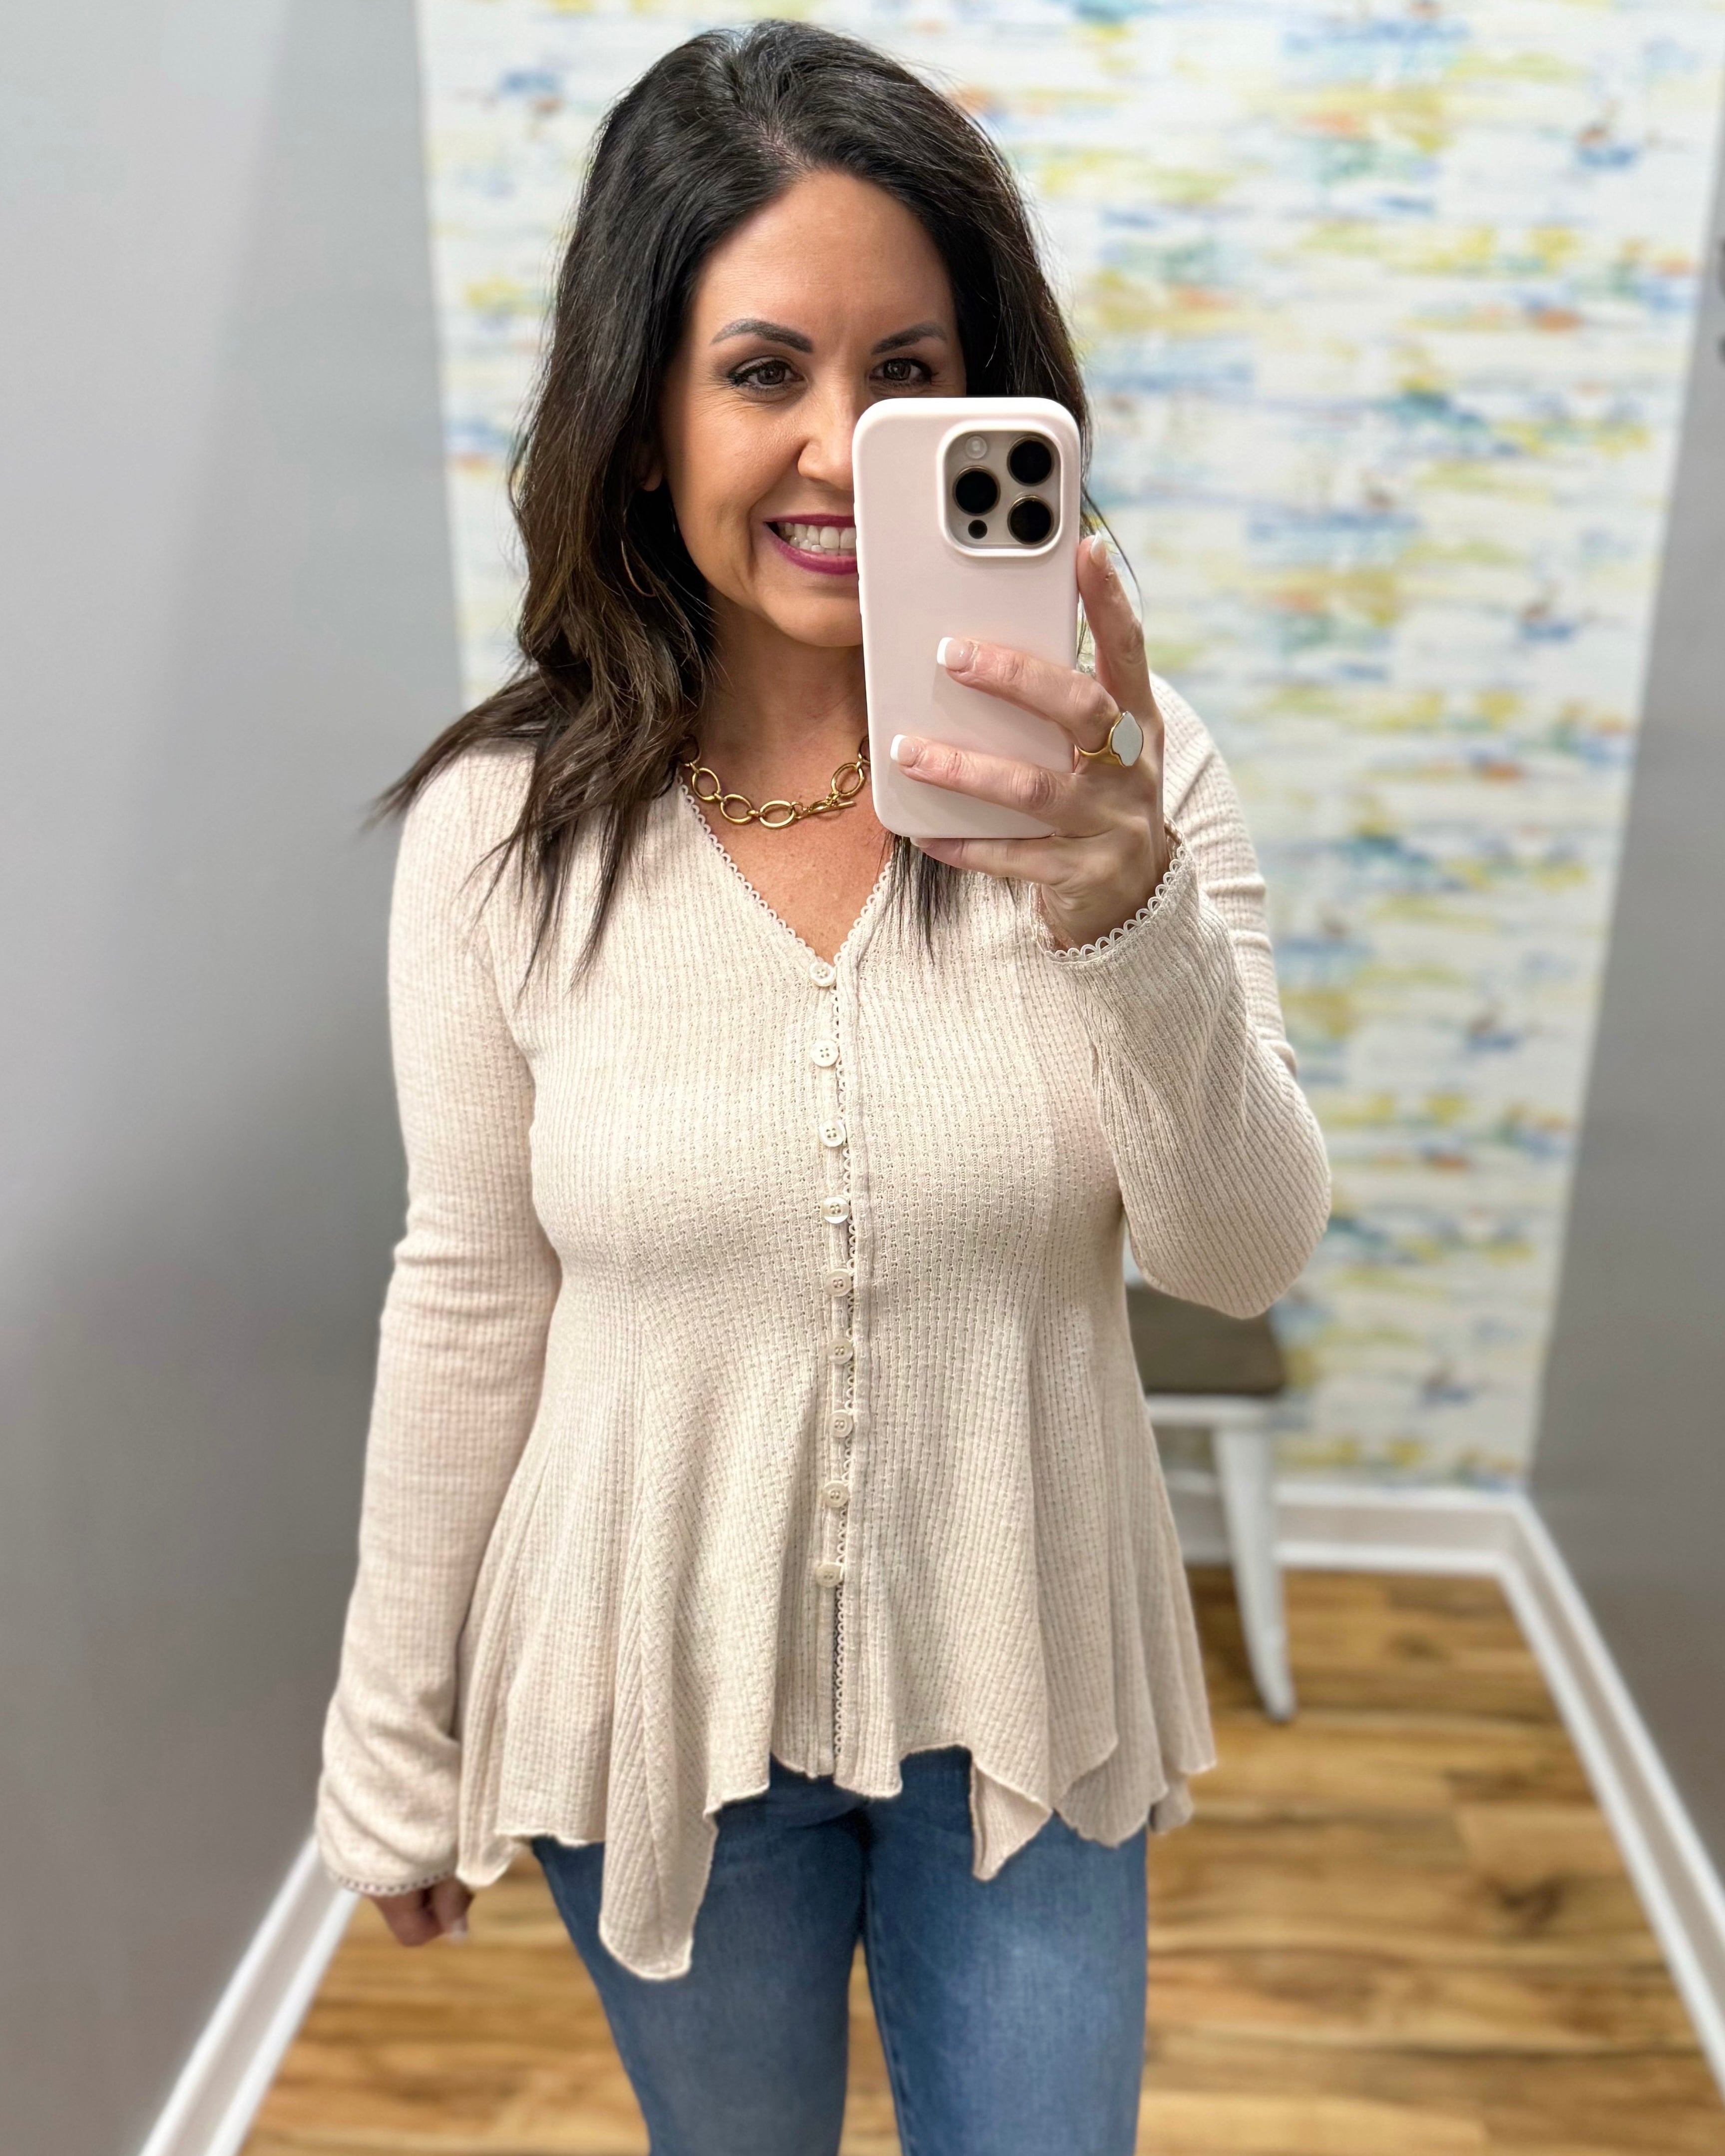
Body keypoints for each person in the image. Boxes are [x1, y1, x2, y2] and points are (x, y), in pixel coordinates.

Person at [314, 20, 1330, 2155]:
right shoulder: (500, 831)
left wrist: (1123, 906)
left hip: (1029, 1691)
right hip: (643, 1684)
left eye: (909, 375)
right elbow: (471, 1293)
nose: (841, 449)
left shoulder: (1136, 788)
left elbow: (1242, 1258)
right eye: (765, 368)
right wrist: (391, 1741)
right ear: (642, 397)